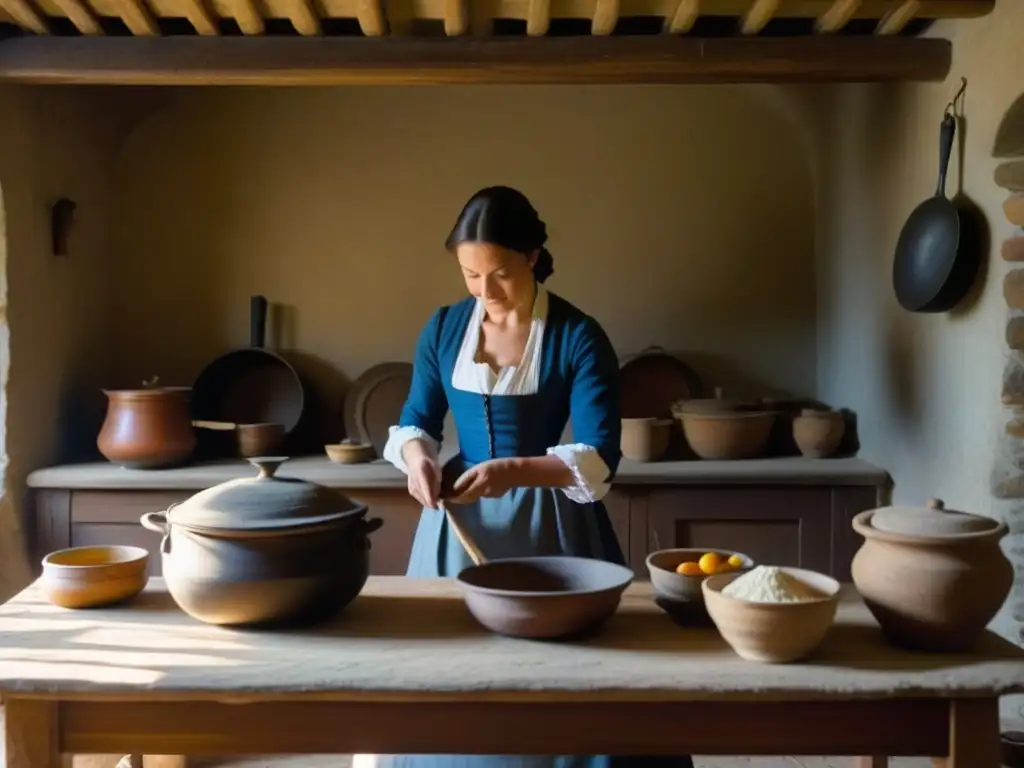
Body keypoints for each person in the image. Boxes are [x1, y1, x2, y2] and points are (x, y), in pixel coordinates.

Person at [367, 185, 694, 768]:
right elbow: (415, 419)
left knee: (567, 682)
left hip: (553, 522)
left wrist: (514, 470)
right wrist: (417, 458)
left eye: (499, 274)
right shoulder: (443, 329)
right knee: (451, 678)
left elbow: (598, 457)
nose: (485, 292)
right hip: (457, 525)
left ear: (535, 256)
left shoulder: (577, 334)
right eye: (470, 275)